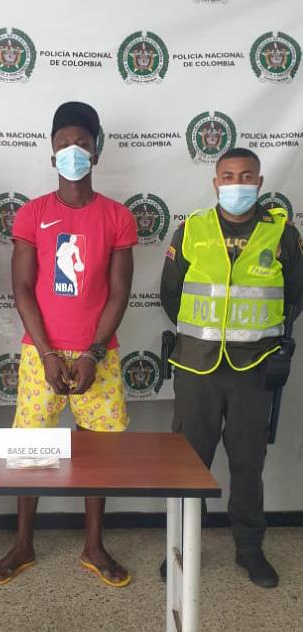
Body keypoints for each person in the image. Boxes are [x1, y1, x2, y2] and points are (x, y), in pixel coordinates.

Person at [0, 101, 137, 588]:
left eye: (82, 143)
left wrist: (93, 352)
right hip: (40, 353)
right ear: (52, 154)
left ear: (97, 151)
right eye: (64, 143)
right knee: (31, 448)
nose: (73, 151)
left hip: (100, 354)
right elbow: (22, 288)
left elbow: (119, 292)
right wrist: (48, 354)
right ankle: (22, 544)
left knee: (99, 453)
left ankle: (94, 546)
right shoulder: (33, 214)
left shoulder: (117, 216)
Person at [160, 147, 303, 588]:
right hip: (197, 366)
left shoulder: (283, 235)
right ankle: (181, 547)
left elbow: (295, 297)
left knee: (248, 463)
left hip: (254, 368)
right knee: (188, 462)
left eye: (245, 176)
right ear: (215, 182)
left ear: (259, 182)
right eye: (228, 176)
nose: (236, 183)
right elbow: (171, 294)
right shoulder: (191, 229)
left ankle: (249, 548)